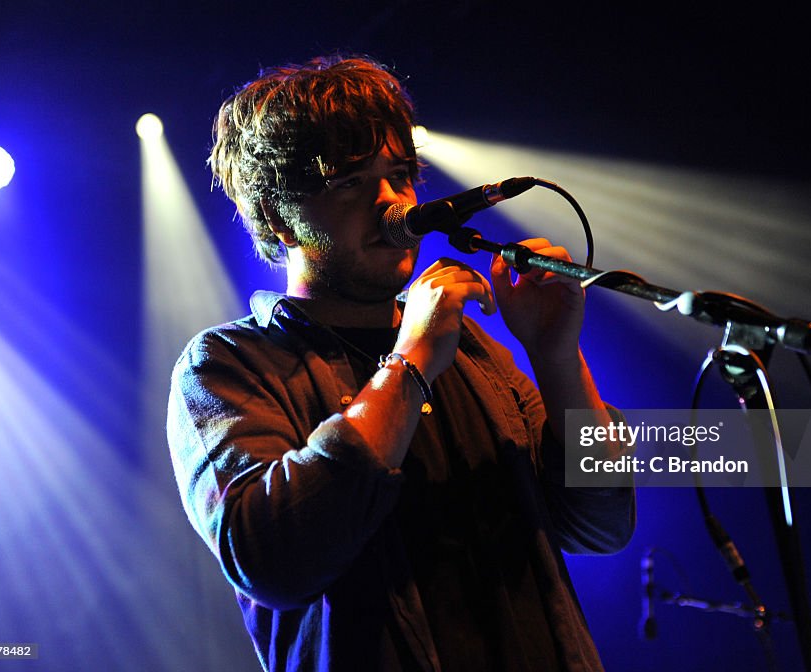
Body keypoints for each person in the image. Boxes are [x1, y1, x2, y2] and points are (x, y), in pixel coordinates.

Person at [167, 54, 635, 672]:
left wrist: (555, 357)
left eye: (399, 175)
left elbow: (601, 525)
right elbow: (271, 559)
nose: (392, 202)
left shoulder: (474, 352)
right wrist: (411, 359)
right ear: (281, 219)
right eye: (350, 182)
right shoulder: (229, 364)